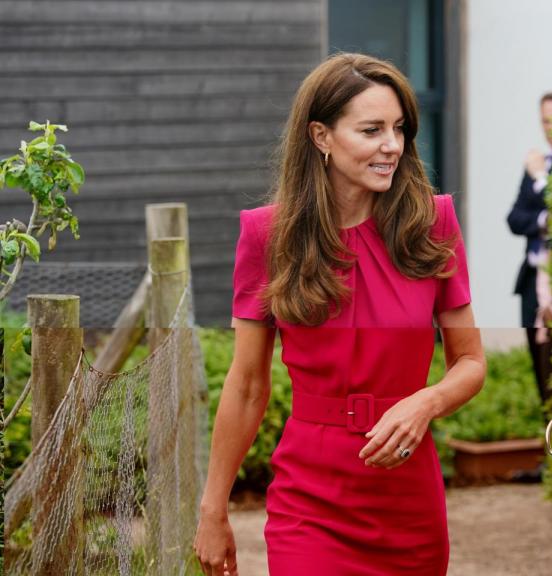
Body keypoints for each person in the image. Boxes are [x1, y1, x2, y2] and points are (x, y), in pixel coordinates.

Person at [193, 53, 485, 576]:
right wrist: (213, 509)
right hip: (310, 497)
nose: (391, 145)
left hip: (407, 494)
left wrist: (425, 403)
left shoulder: (433, 223)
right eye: (371, 130)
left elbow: (470, 362)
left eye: (398, 129)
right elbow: (246, 385)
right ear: (321, 136)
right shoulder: (268, 236)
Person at [507, 90, 552, 404]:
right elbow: (515, 218)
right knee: (540, 368)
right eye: (545, 121)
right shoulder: (538, 163)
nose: (551, 128)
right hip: (532, 279)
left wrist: (541, 178)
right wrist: (544, 220)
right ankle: (549, 443)